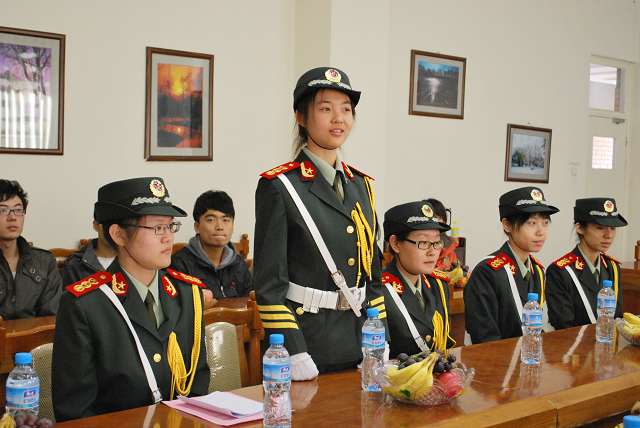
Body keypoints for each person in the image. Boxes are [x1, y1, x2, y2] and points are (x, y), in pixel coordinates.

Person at [253, 67, 386, 380]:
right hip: (308, 344)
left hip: (361, 344)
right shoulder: (280, 186)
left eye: (346, 110)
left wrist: (380, 337)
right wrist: (292, 351)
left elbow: (373, 276)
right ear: (301, 117)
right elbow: (270, 286)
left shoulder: (361, 186)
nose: (339, 119)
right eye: (326, 109)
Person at [52, 177, 210, 422]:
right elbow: (76, 412)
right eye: (157, 228)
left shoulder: (187, 293)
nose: (168, 237)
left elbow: (197, 388)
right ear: (119, 234)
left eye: (171, 226)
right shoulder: (86, 304)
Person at [464, 186, 559, 344]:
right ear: (507, 225)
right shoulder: (487, 272)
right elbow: (485, 338)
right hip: (497, 357)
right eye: (532, 223)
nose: (541, 231)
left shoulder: (537, 270)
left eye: (545, 223)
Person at [381, 201, 455, 358]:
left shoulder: (439, 285)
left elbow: (445, 345)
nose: (432, 252)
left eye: (437, 242)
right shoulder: (379, 291)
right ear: (395, 244)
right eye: (423, 243)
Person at [546, 198, 627, 330]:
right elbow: (563, 324)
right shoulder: (561, 271)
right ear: (579, 228)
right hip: (575, 342)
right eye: (601, 228)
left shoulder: (612, 267)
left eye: (613, 228)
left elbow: (616, 316)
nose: (609, 235)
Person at [170, 190, 252, 299]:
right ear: (197, 227)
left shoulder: (239, 264)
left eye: (225, 220)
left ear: (232, 226)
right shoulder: (179, 264)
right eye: (211, 220)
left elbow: (249, 302)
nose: (219, 227)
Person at [0, 179, 61, 319]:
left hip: (37, 333)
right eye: (3, 210)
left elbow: (51, 317)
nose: (12, 217)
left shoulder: (44, 261)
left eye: (18, 210)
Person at [60, 210, 117, 287]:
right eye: (108, 225)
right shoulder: (75, 265)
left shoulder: (131, 260)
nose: (113, 232)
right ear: (96, 225)